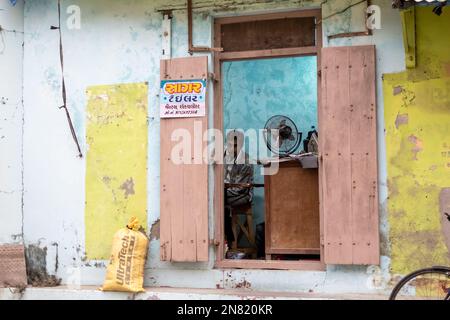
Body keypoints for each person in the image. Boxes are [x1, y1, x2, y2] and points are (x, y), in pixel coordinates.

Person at [224, 130, 254, 250]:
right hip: (226, 193)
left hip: (242, 194)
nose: (231, 148)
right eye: (229, 144)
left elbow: (239, 188)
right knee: (214, 199)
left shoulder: (245, 160)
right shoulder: (224, 157)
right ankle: (226, 240)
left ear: (241, 145)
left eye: (235, 145)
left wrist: (221, 190)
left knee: (219, 199)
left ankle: (229, 241)